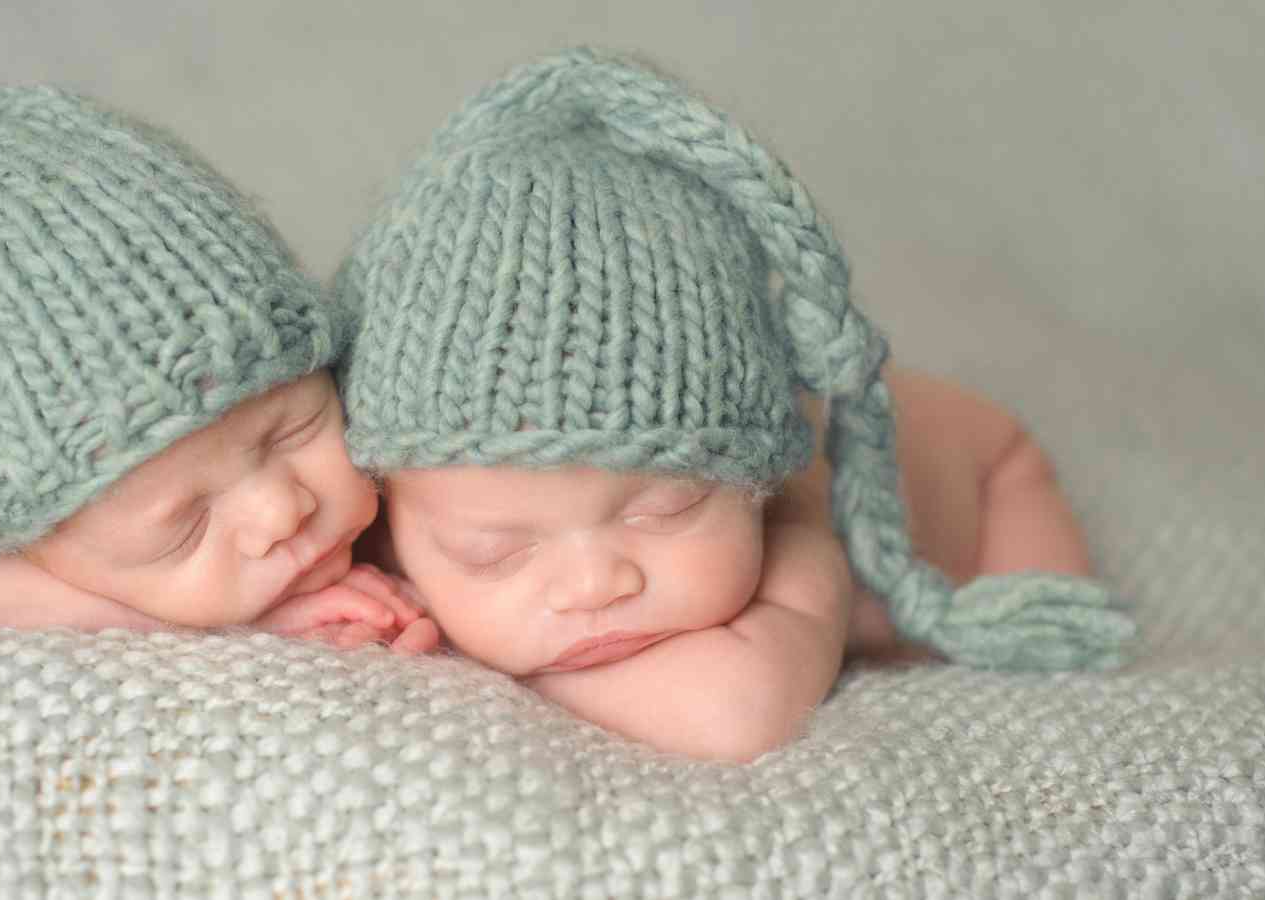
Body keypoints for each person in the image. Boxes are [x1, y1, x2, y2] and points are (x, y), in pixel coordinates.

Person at [337, 48, 1135, 761]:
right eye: (492, 551)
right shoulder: (402, 509)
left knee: (1039, 625)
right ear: (391, 522)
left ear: (755, 476)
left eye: (666, 508)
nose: (595, 582)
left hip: (986, 466)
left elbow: (731, 714)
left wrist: (482, 664)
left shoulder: (794, 528)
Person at [0, 85, 436, 653]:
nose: (280, 512)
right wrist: (258, 626)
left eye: (294, 431)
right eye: (187, 525)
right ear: (37, 552)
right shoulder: (15, 571)